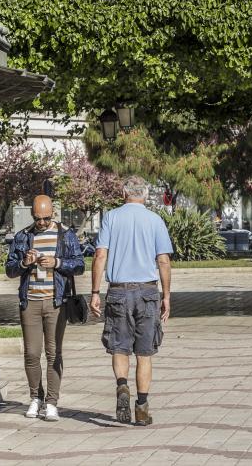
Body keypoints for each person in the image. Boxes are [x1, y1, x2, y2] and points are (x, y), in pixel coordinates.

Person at [89, 176, 172, 426]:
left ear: (124, 193)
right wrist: (166, 296)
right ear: (145, 195)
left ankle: (122, 386)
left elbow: (101, 254)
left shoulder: (112, 218)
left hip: (118, 291)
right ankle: (142, 406)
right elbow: (164, 260)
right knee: (144, 353)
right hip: (147, 292)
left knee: (119, 346)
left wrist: (95, 291)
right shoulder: (155, 220)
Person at [5, 195, 85, 421]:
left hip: (55, 302)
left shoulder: (65, 235)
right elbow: (10, 270)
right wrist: (24, 263)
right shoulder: (23, 236)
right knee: (31, 353)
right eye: (37, 218)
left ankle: (51, 402)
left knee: (53, 353)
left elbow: (79, 265)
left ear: (53, 214)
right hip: (29, 301)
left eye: (46, 218)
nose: (41, 222)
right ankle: (35, 398)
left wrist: (56, 263)